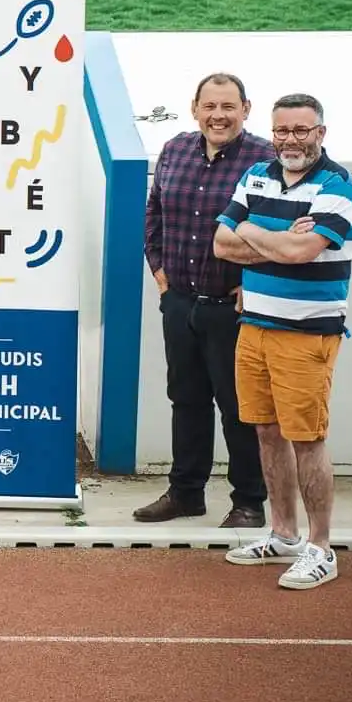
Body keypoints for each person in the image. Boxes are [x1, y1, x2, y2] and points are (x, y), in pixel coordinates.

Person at [217, 94, 352, 591]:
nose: (290, 140)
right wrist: (279, 237)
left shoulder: (338, 186)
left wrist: (253, 230)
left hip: (307, 333)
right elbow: (221, 244)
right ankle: (282, 534)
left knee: (306, 438)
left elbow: (303, 252)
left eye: (301, 130)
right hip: (254, 326)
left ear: (321, 133)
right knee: (266, 432)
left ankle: (321, 548)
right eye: (282, 131)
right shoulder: (256, 174)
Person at [135, 73, 276, 529]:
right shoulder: (175, 149)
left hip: (233, 309)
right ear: (195, 108)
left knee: (239, 408)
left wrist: (255, 281)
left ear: (246, 110)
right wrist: (159, 270)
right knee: (186, 399)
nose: (218, 116)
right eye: (210, 106)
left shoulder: (266, 160)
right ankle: (185, 493)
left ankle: (249, 502)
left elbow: (280, 229)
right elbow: (153, 212)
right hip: (179, 302)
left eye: (228, 107)